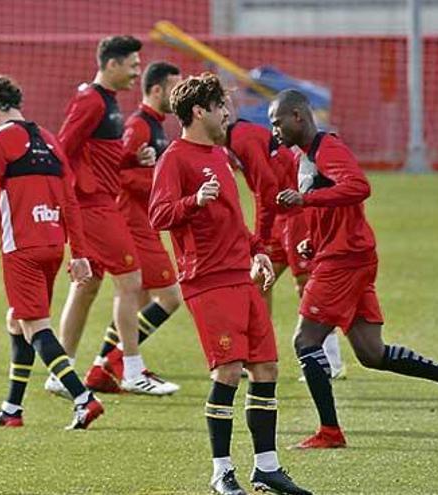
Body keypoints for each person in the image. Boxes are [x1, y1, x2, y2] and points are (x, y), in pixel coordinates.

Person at [271, 89, 438, 450]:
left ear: (298, 116)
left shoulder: (328, 148)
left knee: (305, 340)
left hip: (344, 260)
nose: (275, 130)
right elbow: (332, 205)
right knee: (371, 353)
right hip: (344, 254)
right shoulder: (306, 157)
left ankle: (330, 432)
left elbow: (358, 187)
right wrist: (312, 241)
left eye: (277, 122)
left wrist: (306, 199)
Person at [149, 73, 311, 495]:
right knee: (227, 370)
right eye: (221, 105)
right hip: (206, 278)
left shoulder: (220, 155)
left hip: (241, 273)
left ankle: (267, 467)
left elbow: (233, 217)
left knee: (266, 368)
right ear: (199, 111)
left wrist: (257, 247)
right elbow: (159, 215)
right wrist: (192, 202)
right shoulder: (175, 158)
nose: (228, 112)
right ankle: (221, 471)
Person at [0, 75, 104, 430]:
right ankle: (12, 409)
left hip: (21, 248)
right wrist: (79, 253)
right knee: (17, 320)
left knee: (35, 325)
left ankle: (83, 398)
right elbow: (70, 202)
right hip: (53, 245)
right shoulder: (49, 139)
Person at [50, 35, 176, 397]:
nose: (137, 72)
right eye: (133, 65)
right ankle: (132, 368)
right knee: (131, 282)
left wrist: (134, 159)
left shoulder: (110, 103)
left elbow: (103, 156)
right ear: (112, 64)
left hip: (99, 202)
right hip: (94, 205)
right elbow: (63, 148)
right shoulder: (90, 100)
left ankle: (61, 370)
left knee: (87, 287)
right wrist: (69, 197)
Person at [83, 61, 184, 394]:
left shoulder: (156, 125)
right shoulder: (138, 126)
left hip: (146, 221)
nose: (179, 92)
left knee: (138, 300)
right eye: (175, 86)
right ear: (157, 90)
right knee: (170, 297)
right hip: (132, 222)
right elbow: (118, 175)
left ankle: (101, 369)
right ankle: (122, 360)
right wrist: (159, 184)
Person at [226, 119, 346, 380]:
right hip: (281, 214)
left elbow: (266, 190)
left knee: (306, 282)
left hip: (295, 211)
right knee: (259, 283)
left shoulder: (241, 138)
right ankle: (259, 354)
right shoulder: (231, 140)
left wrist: (259, 238)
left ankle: (330, 360)